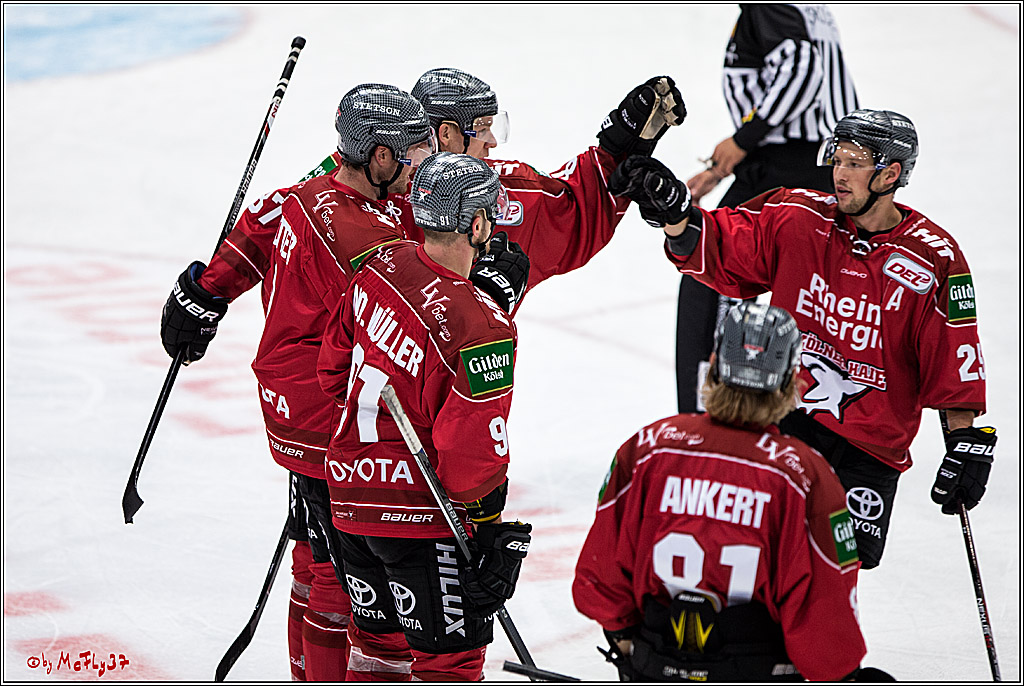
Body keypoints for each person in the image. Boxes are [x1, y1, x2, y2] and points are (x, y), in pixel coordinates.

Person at [611, 108, 996, 569]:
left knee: (835, 566)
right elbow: (720, 245)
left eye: (856, 163)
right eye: (838, 159)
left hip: (868, 450)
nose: (840, 173)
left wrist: (966, 444)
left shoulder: (933, 257)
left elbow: (954, 359)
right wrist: (674, 213)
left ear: (890, 173)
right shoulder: (798, 216)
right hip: (786, 420)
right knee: (759, 551)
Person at [159, 83, 437, 681]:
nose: (421, 167)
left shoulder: (313, 194)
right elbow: (413, 310)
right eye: (412, 154)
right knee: (351, 579)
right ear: (381, 158)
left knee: (316, 557)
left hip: (291, 403)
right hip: (325, 414)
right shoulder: (362, 236)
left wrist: (209, 289)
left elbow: (261, 217)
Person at [317, 152, 531, 680]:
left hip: (348, 500)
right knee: (449, 666)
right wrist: (487, 532)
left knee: (375, 651)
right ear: (476, 224)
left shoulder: (382, 265)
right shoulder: (484, 325)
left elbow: (330, 373)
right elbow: (470, 458)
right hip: (422, 516)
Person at [573, 302, 870, 681]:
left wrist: (628, 645)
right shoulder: (806, 475)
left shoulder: (649, 448)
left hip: (656, 662)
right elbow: (825, 626)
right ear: (791, 380)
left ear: (713, 366)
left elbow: (600, 578)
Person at [306, 67, 687, 315]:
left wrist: (617, 149)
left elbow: (566, 215)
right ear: (447, 134)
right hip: (344, 398)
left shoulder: (490, 190)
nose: (491, 143)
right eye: (482, 127)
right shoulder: (361, 177)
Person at [675, 4, 860, 414]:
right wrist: (728, 166)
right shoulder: (806, 7)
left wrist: (744, 139)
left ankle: (707, 416)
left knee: (711, 269)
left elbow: (802, 72)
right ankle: (792, 416)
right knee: (809, 293)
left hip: (787, 166)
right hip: (812, 163)